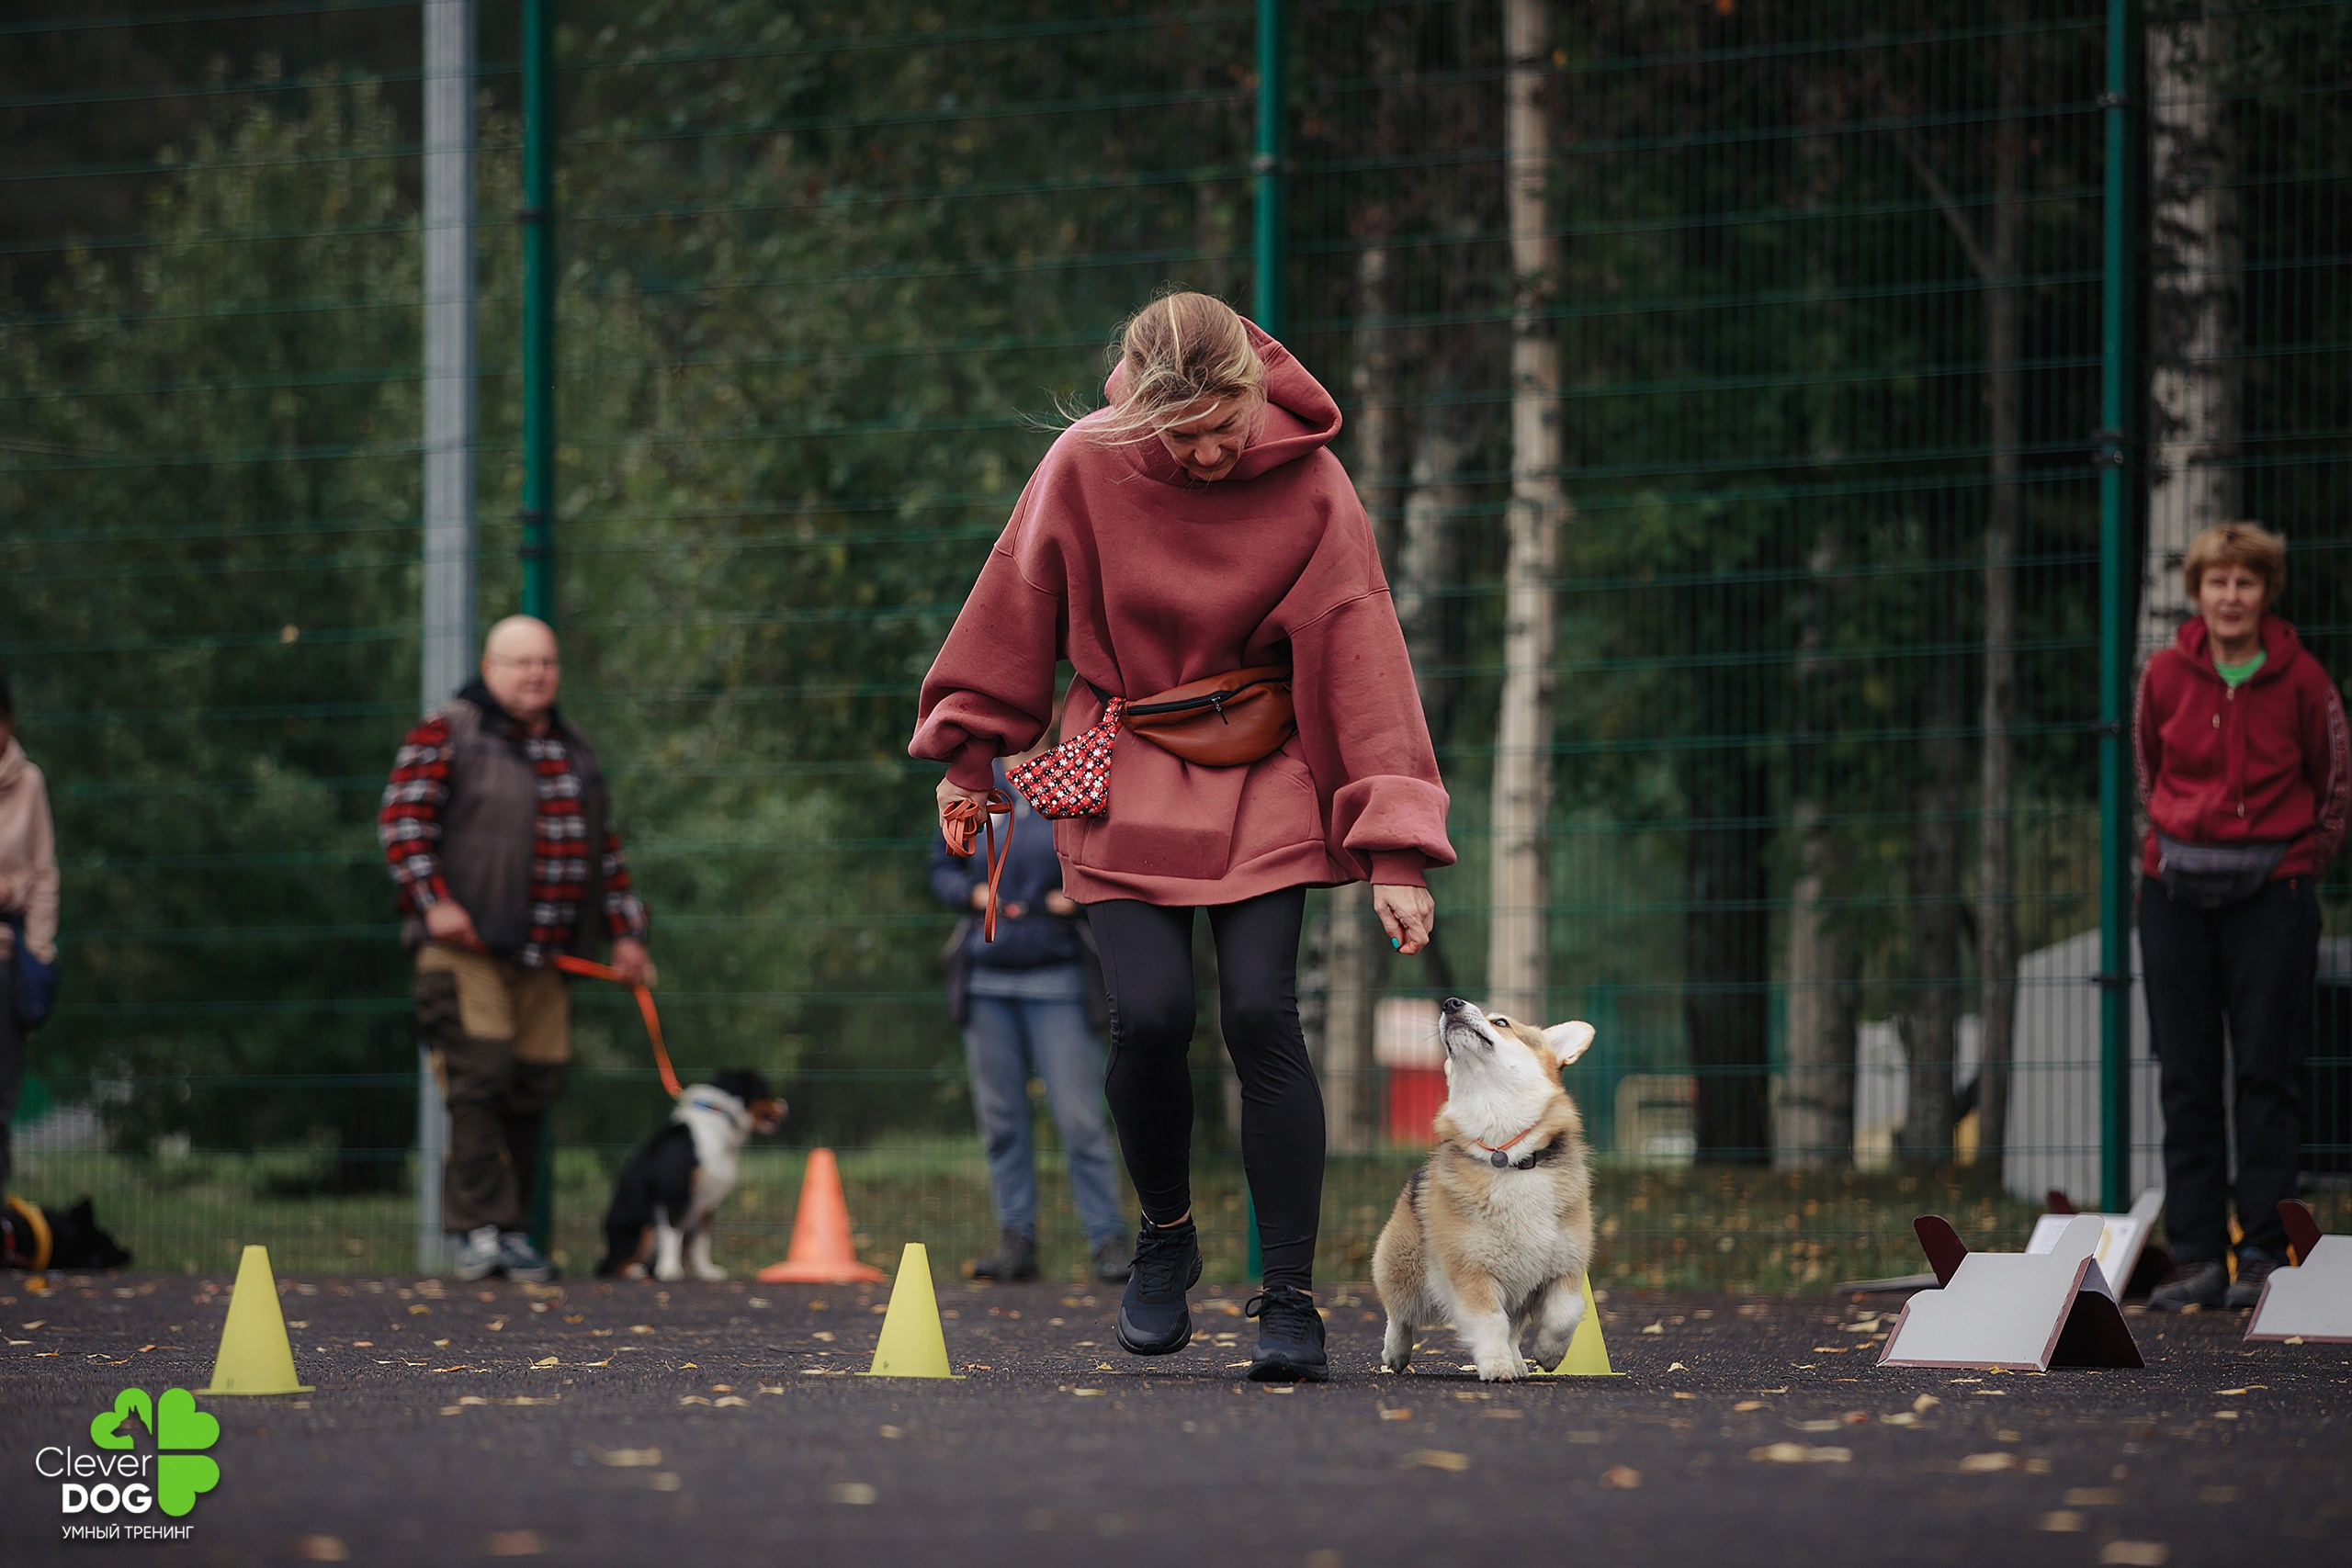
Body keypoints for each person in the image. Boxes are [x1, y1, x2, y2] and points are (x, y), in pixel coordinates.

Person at [911, 292, 1453, 1382]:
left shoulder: (1312, 482)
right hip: (1124, 761)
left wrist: (1394, 850)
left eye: (1223, 426)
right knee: (1150, 1017)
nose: (1207, 453)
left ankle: (1289, 1298)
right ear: (1141, 409)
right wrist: (969, 761)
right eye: (1181, 433)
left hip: (1263, 765)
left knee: (1260, 1013)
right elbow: (1013, 602)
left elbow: (1361, 655)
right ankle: (1164, 1236)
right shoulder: (1083, 462)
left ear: (1255, 391)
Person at [379, 616, 653, 1282]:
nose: (536, 674)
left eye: (547, 662)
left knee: (534, 1082)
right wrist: (435, 901)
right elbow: (402, 821)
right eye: (522, 661)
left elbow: (605, 851)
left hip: (547, 957)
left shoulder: (573, 746)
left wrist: (627, 933)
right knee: (481, 1076)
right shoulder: (449, 731)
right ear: (490, 667)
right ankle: (478, 1233)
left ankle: (511, 1232)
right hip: (466, 951)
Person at [2136, 522, 2347, 1311]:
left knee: (2267, 1072)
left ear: (2267, 592)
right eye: (2217, 581)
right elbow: (2148, 770)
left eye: (2246, 581)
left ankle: (2262, 1248)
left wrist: (2298, 864)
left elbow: (2332, 783)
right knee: (2185, 1074)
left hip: (2274, 895)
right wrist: (2175, 844)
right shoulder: (2163, 674)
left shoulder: (2305, 680)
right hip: (2174, 893)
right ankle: (2196, 1254)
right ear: (2196, 592)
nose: (2231, 596)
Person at [931, 738, 1131, 1285]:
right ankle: (1016, 1241)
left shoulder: (1072, 776)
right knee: (1001, 1122)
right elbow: (941, 866)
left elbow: (1108, 855)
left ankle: (1109, 1241)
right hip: (986, 981)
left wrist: (1078, 895)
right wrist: (971, 895)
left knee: (1081, 1120)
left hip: (1059, 980)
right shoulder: (973, 782)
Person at [0, 673, 61, 1197]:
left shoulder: (30, 783)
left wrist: (38, 951)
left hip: (8, 959)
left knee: (1, 1100)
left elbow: (44, 873)